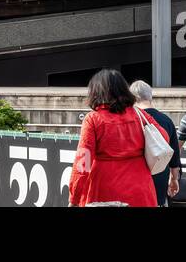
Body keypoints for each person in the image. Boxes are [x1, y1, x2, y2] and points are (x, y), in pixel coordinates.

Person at [68, 68, 165, 207]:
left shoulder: (93, 119)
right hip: (141, 188)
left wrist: (74, 198)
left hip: (104, 190)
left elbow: (84, 162)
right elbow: (164, 137)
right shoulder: (139, 115)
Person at [129, 79, 181, 206]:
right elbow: (174, 157)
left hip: (135, 180)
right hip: (160, 178)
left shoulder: (130, 120)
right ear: (150, 97)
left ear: (132, 98)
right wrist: (174, 179)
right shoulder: (166, 121)